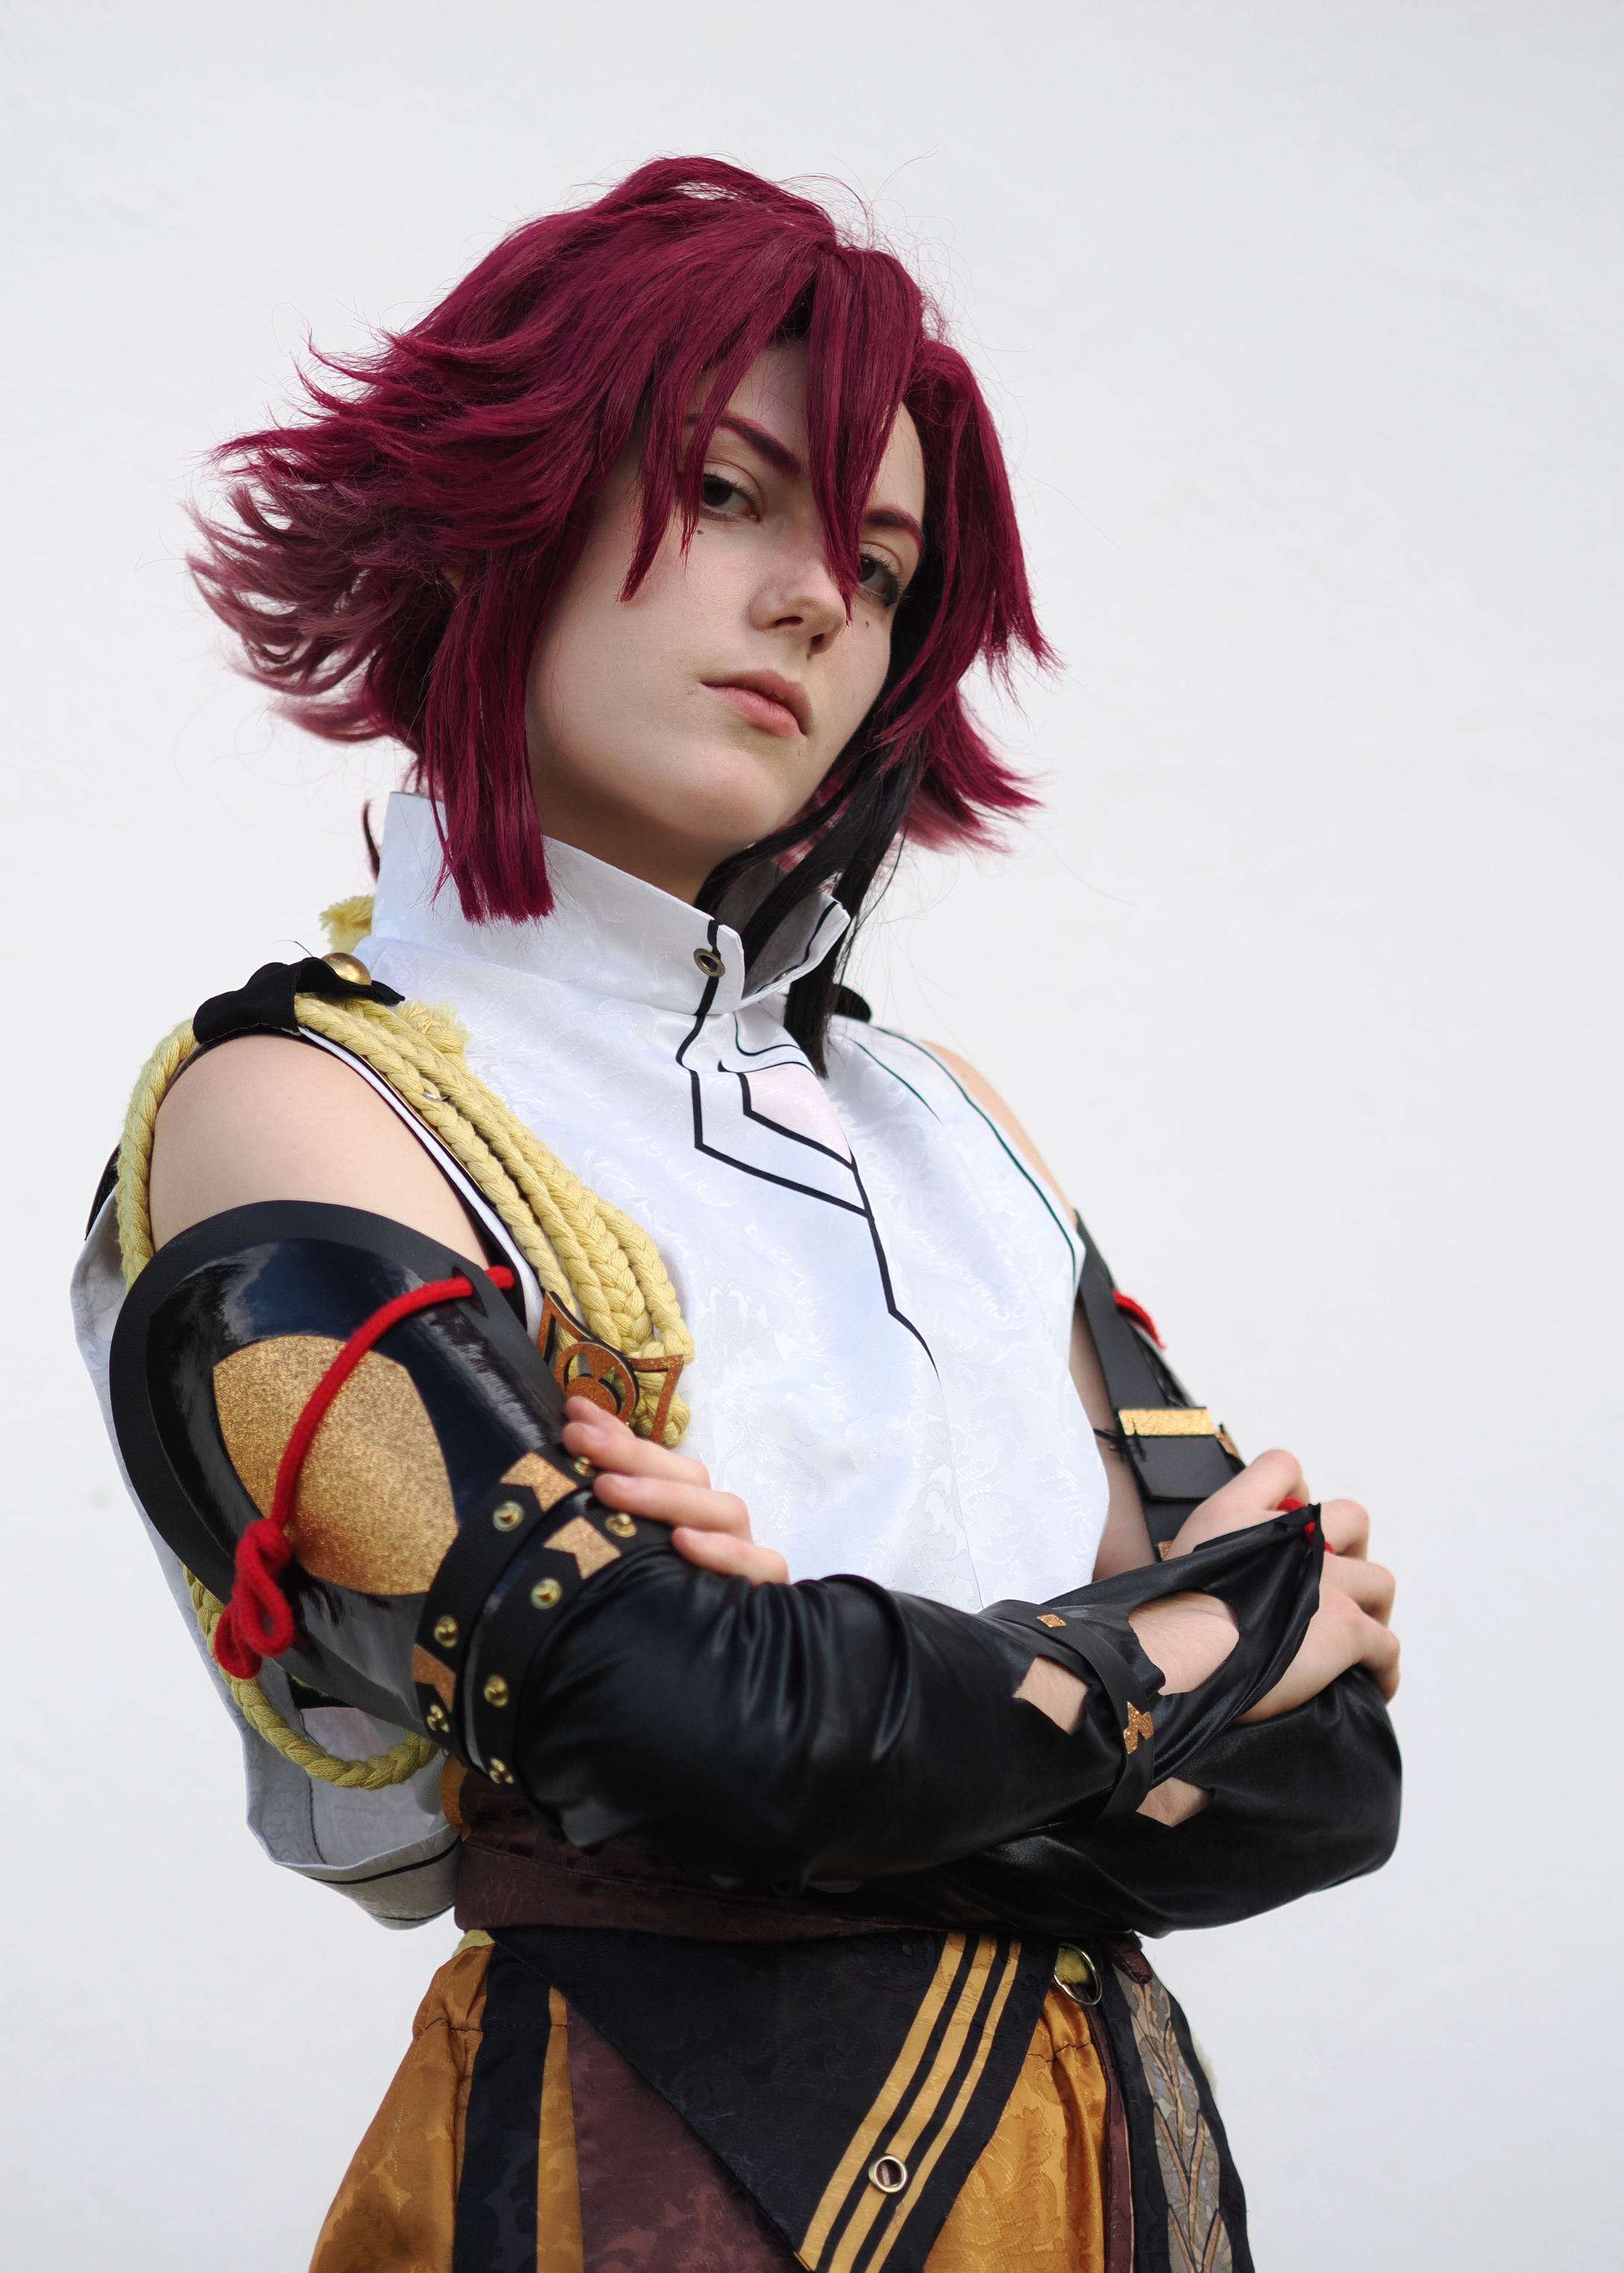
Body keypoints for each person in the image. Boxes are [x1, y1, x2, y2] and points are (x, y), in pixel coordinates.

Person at [74, 158, 1401, 2272]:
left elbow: (1322, 1784)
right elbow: (682, 1733)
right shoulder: (298, 1100)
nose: (813, 603)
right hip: (645, 2177)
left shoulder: (949, 1125)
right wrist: (1189, 1643)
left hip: (1121, 2178)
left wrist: (819, 1689)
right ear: (511, 502)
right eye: (724, 494)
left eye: (876, 565)